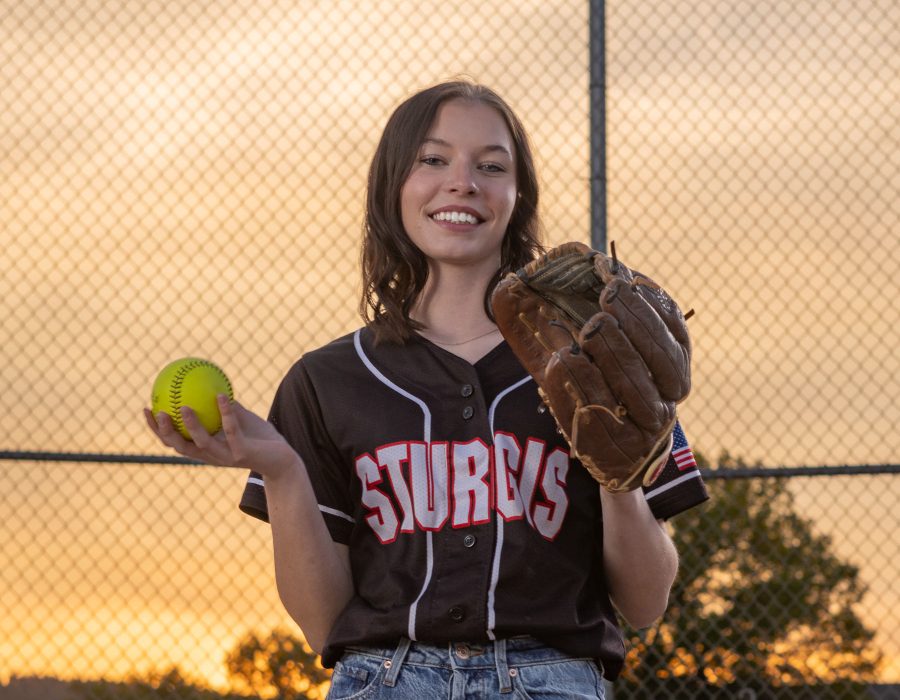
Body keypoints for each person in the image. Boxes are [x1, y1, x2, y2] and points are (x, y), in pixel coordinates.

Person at [144, 80, 708, 699]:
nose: (462, 182)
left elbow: (645, 603)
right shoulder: (328, 380)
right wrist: (282, 471)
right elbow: (323, 624)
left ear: (518, 196)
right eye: (433, 159)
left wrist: (617, 482)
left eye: (491, 166)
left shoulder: (599, 359)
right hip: (382, 681)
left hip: (551, 680)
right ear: (393, 186)